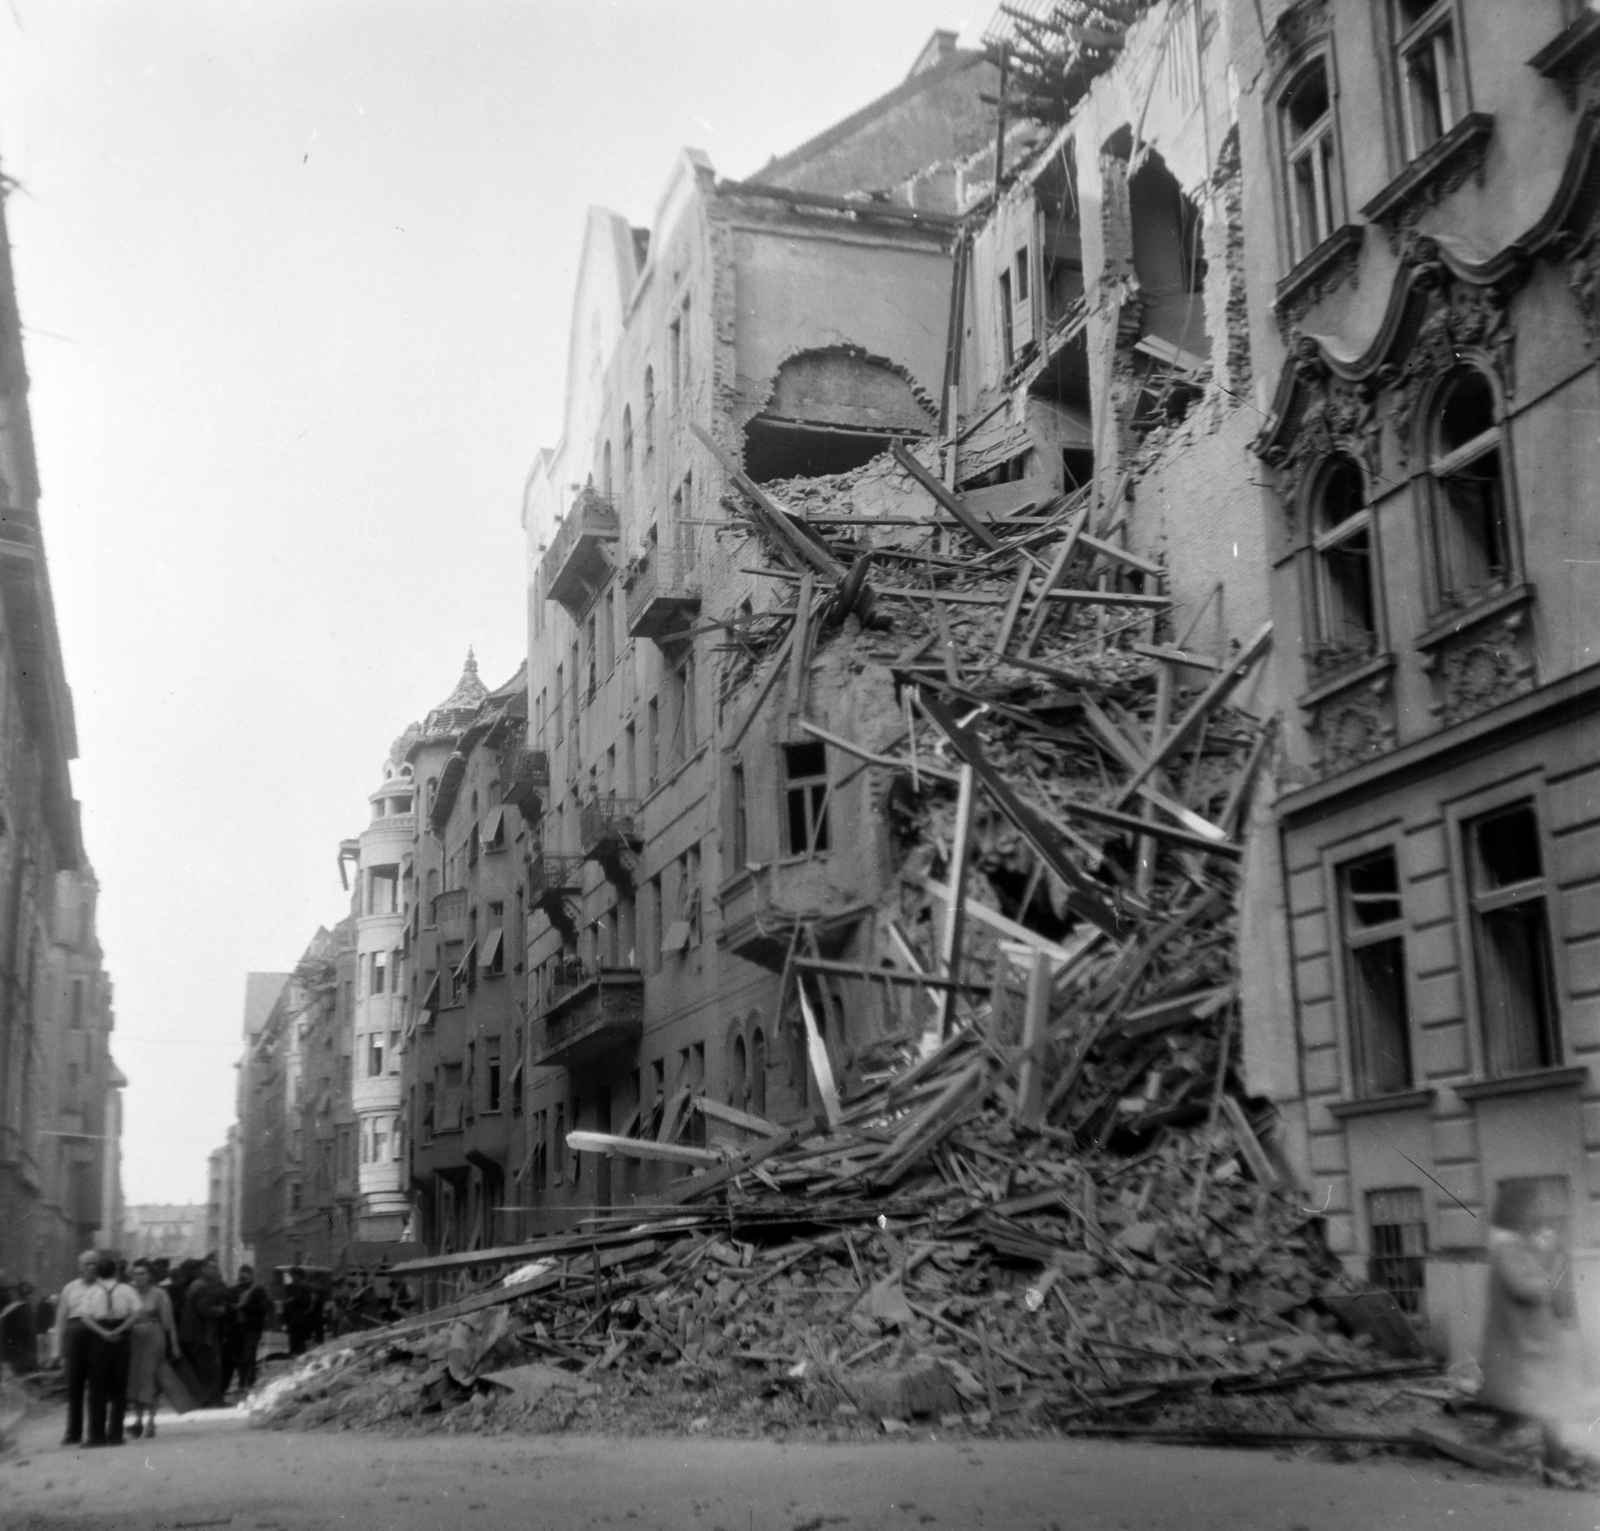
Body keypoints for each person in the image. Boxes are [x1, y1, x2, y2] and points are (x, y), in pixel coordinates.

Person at [1481, 1181, 1586, 1476]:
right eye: (1533, 1210)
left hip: (1535, 1342)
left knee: (1545, 1404)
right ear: (1519, 1215)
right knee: (1549, 1405)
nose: (1539, 1216)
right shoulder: (1508, 1250)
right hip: (1525, 1344)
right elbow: (1526, 1288)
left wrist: (1554, 1258)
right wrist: (1553, 1269)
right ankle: (1554, 1465)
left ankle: (1550, 1456)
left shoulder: (1522, 1247)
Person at [81, 1254, 138, 1446]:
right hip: (121, 1338)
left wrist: (104, 1332)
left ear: (97, 1272)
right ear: (116, 1271)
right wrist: (119, 1329)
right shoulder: (127, 1289)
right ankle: (116, 1435)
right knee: (119, 1388)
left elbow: (85, 1317)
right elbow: (137, 1312)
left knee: (97, 1388)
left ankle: (96, 1436)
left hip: (99, 1339)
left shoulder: (91, 1292)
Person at [52, 1250, 100, 1446]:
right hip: (74, 1336)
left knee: (97, 1385)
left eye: (95, 1264)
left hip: (97, 1335)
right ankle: (73, 1432)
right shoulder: (70, 1289)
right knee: (74, 1385)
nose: (91, 1267)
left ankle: (95, 1431)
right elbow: (61, 1320)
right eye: (87, 1264)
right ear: (80, 1267)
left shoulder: (104, 1288)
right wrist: (56, 1350)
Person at [125, 1259, 177, 1439]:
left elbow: (169, 1323)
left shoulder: (160, 1295)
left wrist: (174, 1345)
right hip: (135, 1341)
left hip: (155, 1340)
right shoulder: (129, 1294)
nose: (139, 1277)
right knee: (137, 1381)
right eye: (136, 1274)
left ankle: (151, 1421)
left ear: (149, 1276)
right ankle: (138, 1420)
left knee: (153, 1380)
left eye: (142, 1274)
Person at [177, 1253, 228, 1406]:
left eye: (216, 1268)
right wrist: (219, 1311)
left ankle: (205, 1399)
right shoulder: (201, 1286)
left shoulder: (197, 1285)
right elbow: (202, 1310)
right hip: (200, 1336)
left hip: (196, 1335)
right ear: (203, 1269)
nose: (215, 1271)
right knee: (211, 1370)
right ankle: (212, 1400)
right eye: (212, 1268)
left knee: (203, 1370)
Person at [232, 1266, 270, 1391]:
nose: (243, 1280)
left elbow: (263, 1309)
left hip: (252, 1328)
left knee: (248, 1356)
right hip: (238, 1328)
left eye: (245, 1277)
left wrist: (244, 1306)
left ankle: (248, 1383)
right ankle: (243, 1382)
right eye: (241, 1277)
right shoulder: (235, 1290)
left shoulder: (258, 1291)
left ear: (251, 1277)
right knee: (239, 1358)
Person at [0, 1280, 37, 1375]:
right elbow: (27, 1331)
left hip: (13, 1352)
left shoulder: (11, 1310)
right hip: (20, 1352)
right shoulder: (21, 1309)